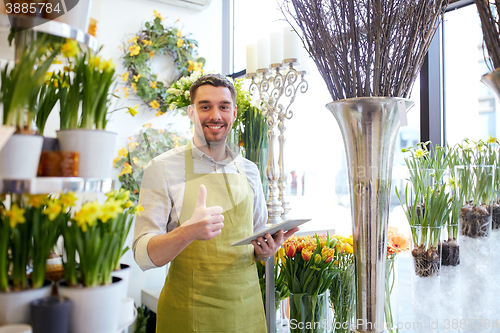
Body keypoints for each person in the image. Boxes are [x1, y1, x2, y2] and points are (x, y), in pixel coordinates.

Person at [132, 74, 298, 332]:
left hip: (246, 313)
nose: (215, 115)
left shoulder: (250, 171)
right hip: (188, 315)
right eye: (205, 106)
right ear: (191, 112)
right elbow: (143, 255)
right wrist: (189, 232)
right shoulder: (162, 168)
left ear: (233, 113)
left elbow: (256, 239)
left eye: (223, 106)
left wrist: (266, 250)